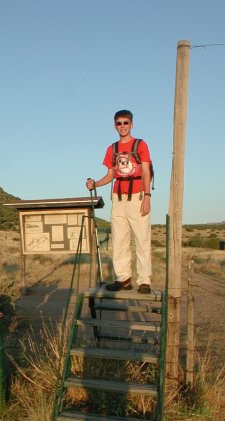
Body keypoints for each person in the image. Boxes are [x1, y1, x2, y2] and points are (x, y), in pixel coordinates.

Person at [86, 109, 153, 294]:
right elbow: (110, 175)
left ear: (131, 124)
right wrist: (95, 184)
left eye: (125, 122)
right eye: (119, 123)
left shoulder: (140, 144)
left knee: (142, 239)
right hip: (118, 198)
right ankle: (123, 278)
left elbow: (146, 171)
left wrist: (147, 197)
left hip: (137, 196)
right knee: (120, 240)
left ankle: (144, 280)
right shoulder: (112, 149)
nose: (122, 126)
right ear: (114, 125)